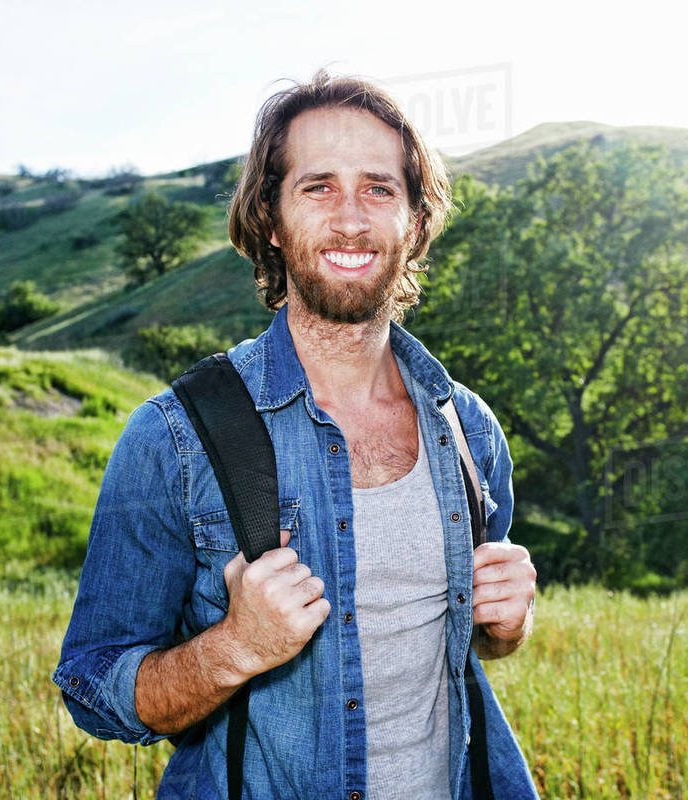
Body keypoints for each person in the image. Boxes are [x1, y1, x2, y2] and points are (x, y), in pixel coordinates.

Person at [53, 69, 539, 800]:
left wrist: (505, 627)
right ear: (272, 221)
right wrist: (235, 648)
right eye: (318, 187)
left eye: (379, 188)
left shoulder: (466, 428)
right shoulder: (175, 437)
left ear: (414, 222)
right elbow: (92, 687)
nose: (350, 219)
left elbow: (456, 645)